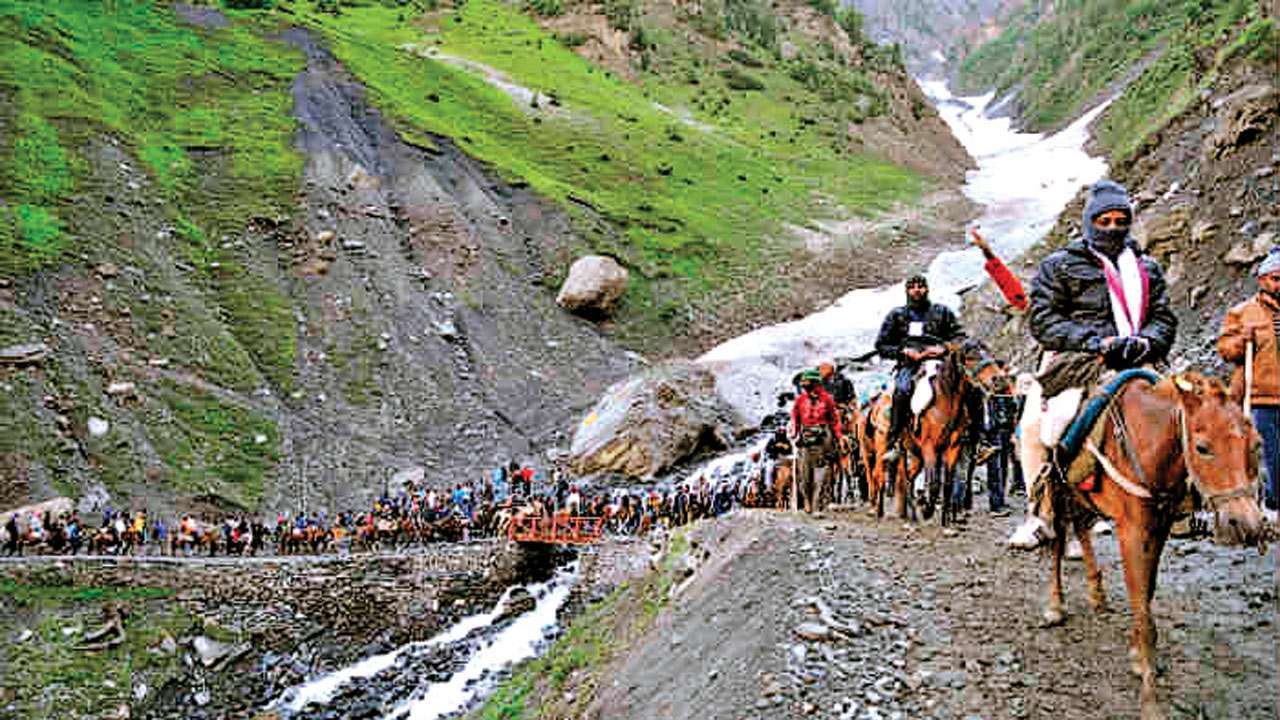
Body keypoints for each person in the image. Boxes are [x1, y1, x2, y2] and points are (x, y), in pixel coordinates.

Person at [1007, 180, 1177, 549]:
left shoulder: (1147, 267)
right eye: (1105, 221)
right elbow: (1044, 320)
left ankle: (1186, 506)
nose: (1113, 228)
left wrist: (1147, 340)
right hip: (1077, 359)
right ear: (1089, 222)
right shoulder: (1059, 265)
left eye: (1120, 221)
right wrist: (1094, 342)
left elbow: (1164, 316)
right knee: (1037, 427)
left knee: (1191, 415)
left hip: (1140, 357)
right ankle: (1041, 513)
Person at [875, 273, 966, 463]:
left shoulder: (942, 312)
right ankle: (895, 443)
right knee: (902, 390)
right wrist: (903, 351)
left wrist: (944, 347)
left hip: (941, 363)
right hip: (910, 364)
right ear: (907, 291)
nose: (917, 290)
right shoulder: (897, 315)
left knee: (970, 388)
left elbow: (959, 336)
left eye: (920, 286)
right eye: (912, 287)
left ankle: (977, 439)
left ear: (927, 289)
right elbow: (882, 345)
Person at [1218, 247, 1280, 521]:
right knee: (1272, 457)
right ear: (1263, 279)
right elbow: (1225, 350)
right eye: (1276, 278)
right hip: (1261, 397)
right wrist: (1241, 340)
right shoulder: (1242, 312)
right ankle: (1273, 506)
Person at [788, 369, 843, 512]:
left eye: (808, 384)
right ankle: (806, 500)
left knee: (822, 472)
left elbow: (834, 419)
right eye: (804, 384)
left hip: (823, 437)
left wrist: (838, 436)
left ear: (815, 384)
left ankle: (818, 503)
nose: (805, 387)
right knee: (805, 473)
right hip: (805, 436)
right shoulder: (800, 400)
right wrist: (794, 431)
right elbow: (795, 417)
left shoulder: (827, 399)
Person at [970, 227, 1029, 312]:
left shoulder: (1018, 299)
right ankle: (977, 238)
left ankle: (977, 238)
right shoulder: (1019, 300)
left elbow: (1012, 289)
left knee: (988, 254)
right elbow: (1012, 288)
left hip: (1002, 276)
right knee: (988, 254)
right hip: (1001, 275)